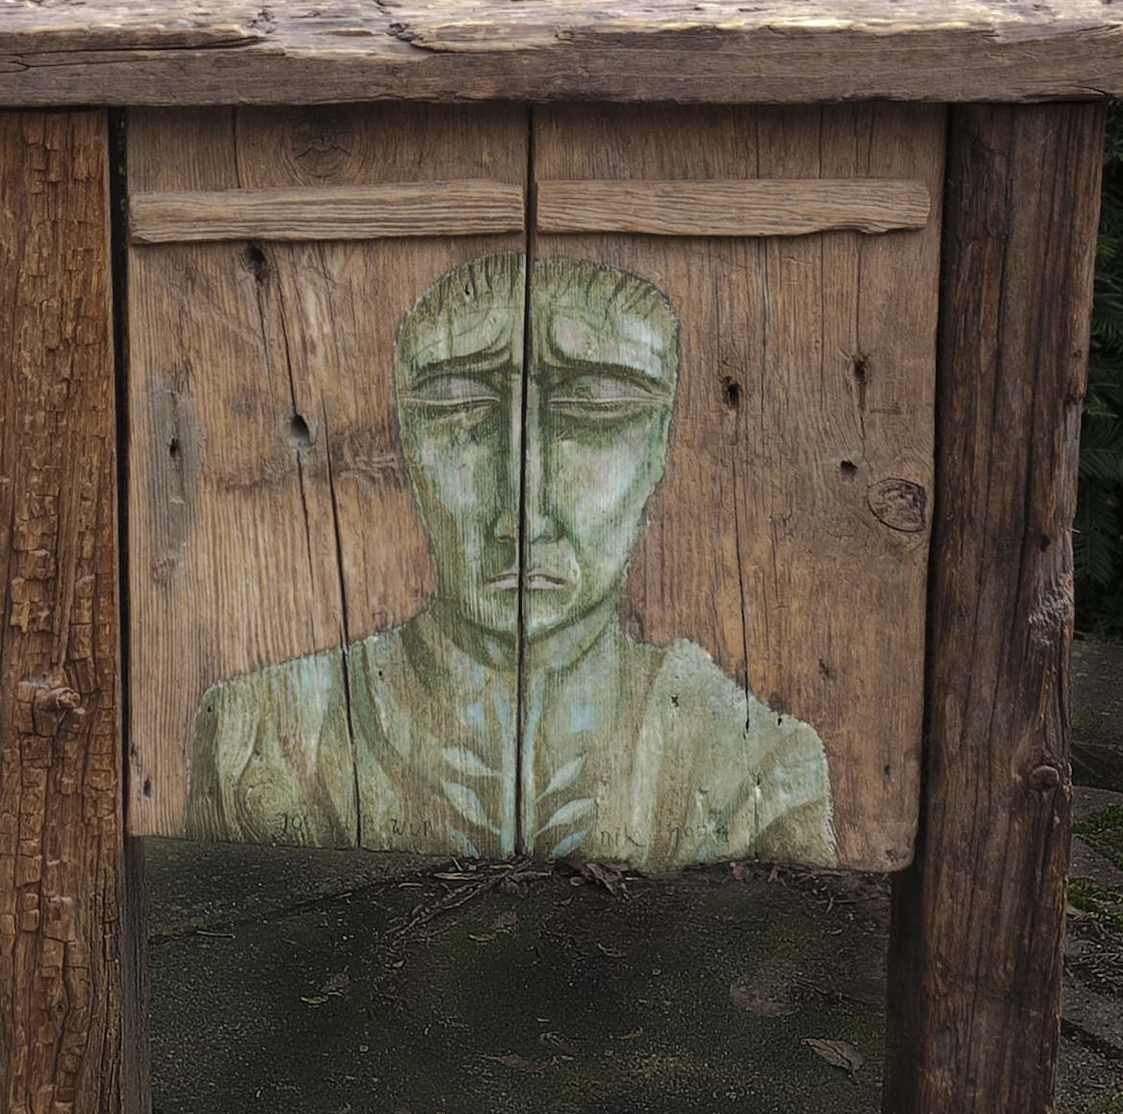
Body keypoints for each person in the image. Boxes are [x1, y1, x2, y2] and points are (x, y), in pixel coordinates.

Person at [186, 250, 833, 864]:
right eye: (459, 408)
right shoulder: (259, 741)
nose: (522, 512)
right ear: (406, 438)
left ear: (661, 443)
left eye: (595, 409)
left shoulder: (753, 770)